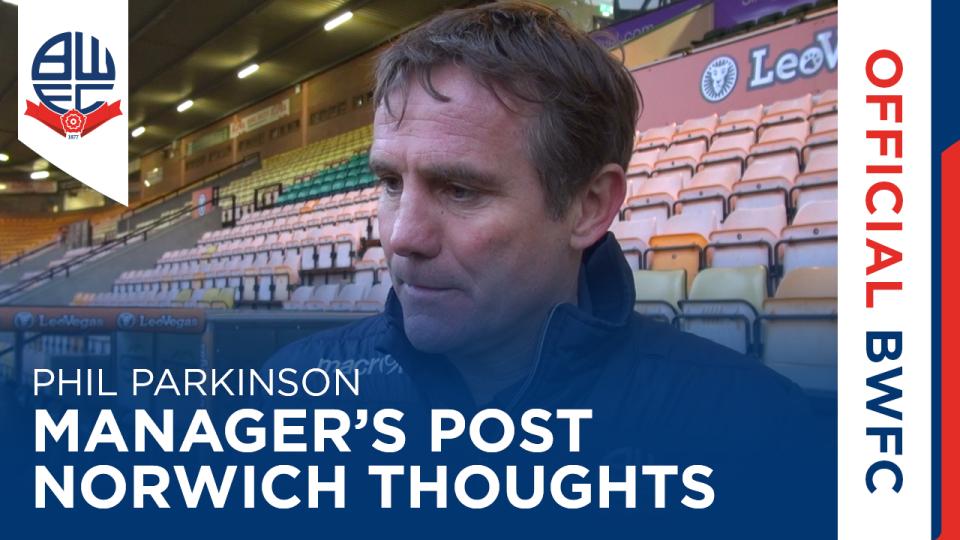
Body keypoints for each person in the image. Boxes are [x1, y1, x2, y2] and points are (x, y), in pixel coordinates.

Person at [264, 4, 834, 532]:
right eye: (390, 183)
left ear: (588, 207)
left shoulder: (752, 432)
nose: (400, 237)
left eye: (460, 189)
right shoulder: (292, 395)